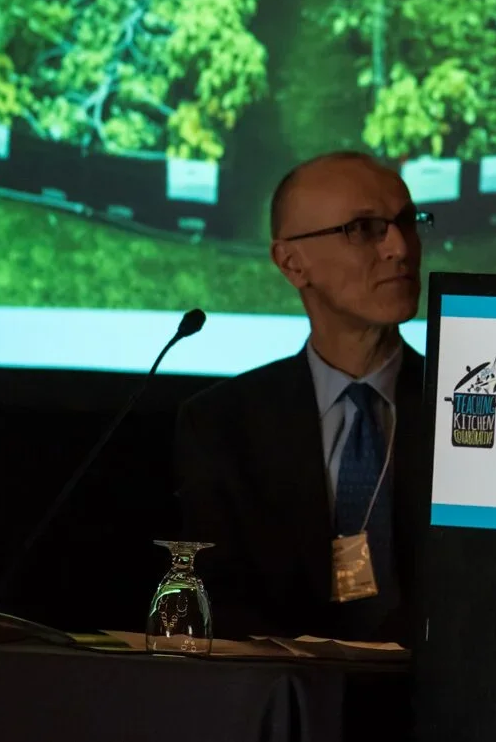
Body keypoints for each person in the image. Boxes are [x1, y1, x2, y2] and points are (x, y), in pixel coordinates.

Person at [173, 152, 434, 643]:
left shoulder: (467, 408)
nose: (400, 247)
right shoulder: (223, 424)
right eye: (364, 228)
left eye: (405, 222)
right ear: (292, 263)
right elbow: (221, 606)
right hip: (283, 702)